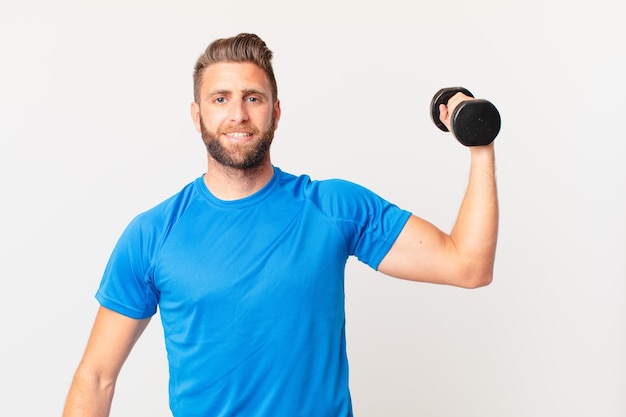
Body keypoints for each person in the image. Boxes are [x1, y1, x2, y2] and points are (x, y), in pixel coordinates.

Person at [62, 33, 498, 417]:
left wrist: (479, 142)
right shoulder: (153, 235)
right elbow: (97, 377)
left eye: (253, 98)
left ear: (276, 112)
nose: (238, 114)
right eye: (220, 99)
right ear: (197, 116)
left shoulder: (332, 207)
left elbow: (468, 265)